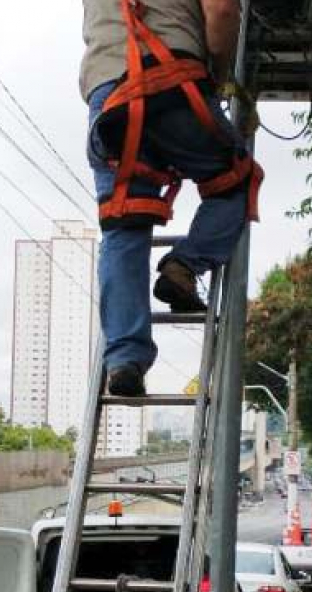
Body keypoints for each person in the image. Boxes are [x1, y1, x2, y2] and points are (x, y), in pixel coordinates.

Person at [81, 0, 262, 397]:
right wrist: (222, 77)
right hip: (174, 84)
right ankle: (184, 265)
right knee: (236, 178)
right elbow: (223, 11)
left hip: (110, 101)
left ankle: (125, 360)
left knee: (123, 225)